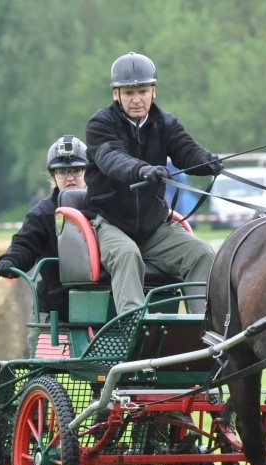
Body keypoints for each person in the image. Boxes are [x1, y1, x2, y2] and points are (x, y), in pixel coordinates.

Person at [84, 51, 221, 315]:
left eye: (143, 91)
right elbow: (111, 158)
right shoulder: (101, 124)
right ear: (116, 94)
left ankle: (204, 328)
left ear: (153, 92)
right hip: (110, 224)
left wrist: (208, 161)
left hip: (153, 227)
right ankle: (134, 327)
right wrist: (142, 170)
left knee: (202, 253)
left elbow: (186, 151)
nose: (136, 99)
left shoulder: (166, 123)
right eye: (129, 93)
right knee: (127, 255)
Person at [0, 134, 88, 322]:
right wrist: (11, 260)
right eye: (62, 171)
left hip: (106, 307)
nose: (70, 177)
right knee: (42, 337)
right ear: (53, 176)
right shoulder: (41, 214)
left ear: (88, 172)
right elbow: (25, 244)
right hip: (56, 309)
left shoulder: (104, 207)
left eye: (76, 170)